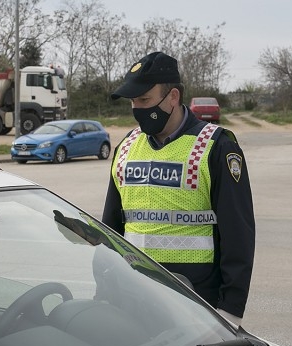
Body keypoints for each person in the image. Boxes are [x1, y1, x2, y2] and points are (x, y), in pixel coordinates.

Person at [102, 51, 255, 327]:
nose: (138, 108)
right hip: (132, 297)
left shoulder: (215, 147)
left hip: (196, 302)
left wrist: (230, 312)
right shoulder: (126, 148)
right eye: (133, 101)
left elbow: (238, 234)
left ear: (173, 97)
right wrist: (106, 288)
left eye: (145, 100)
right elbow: (112, 227)